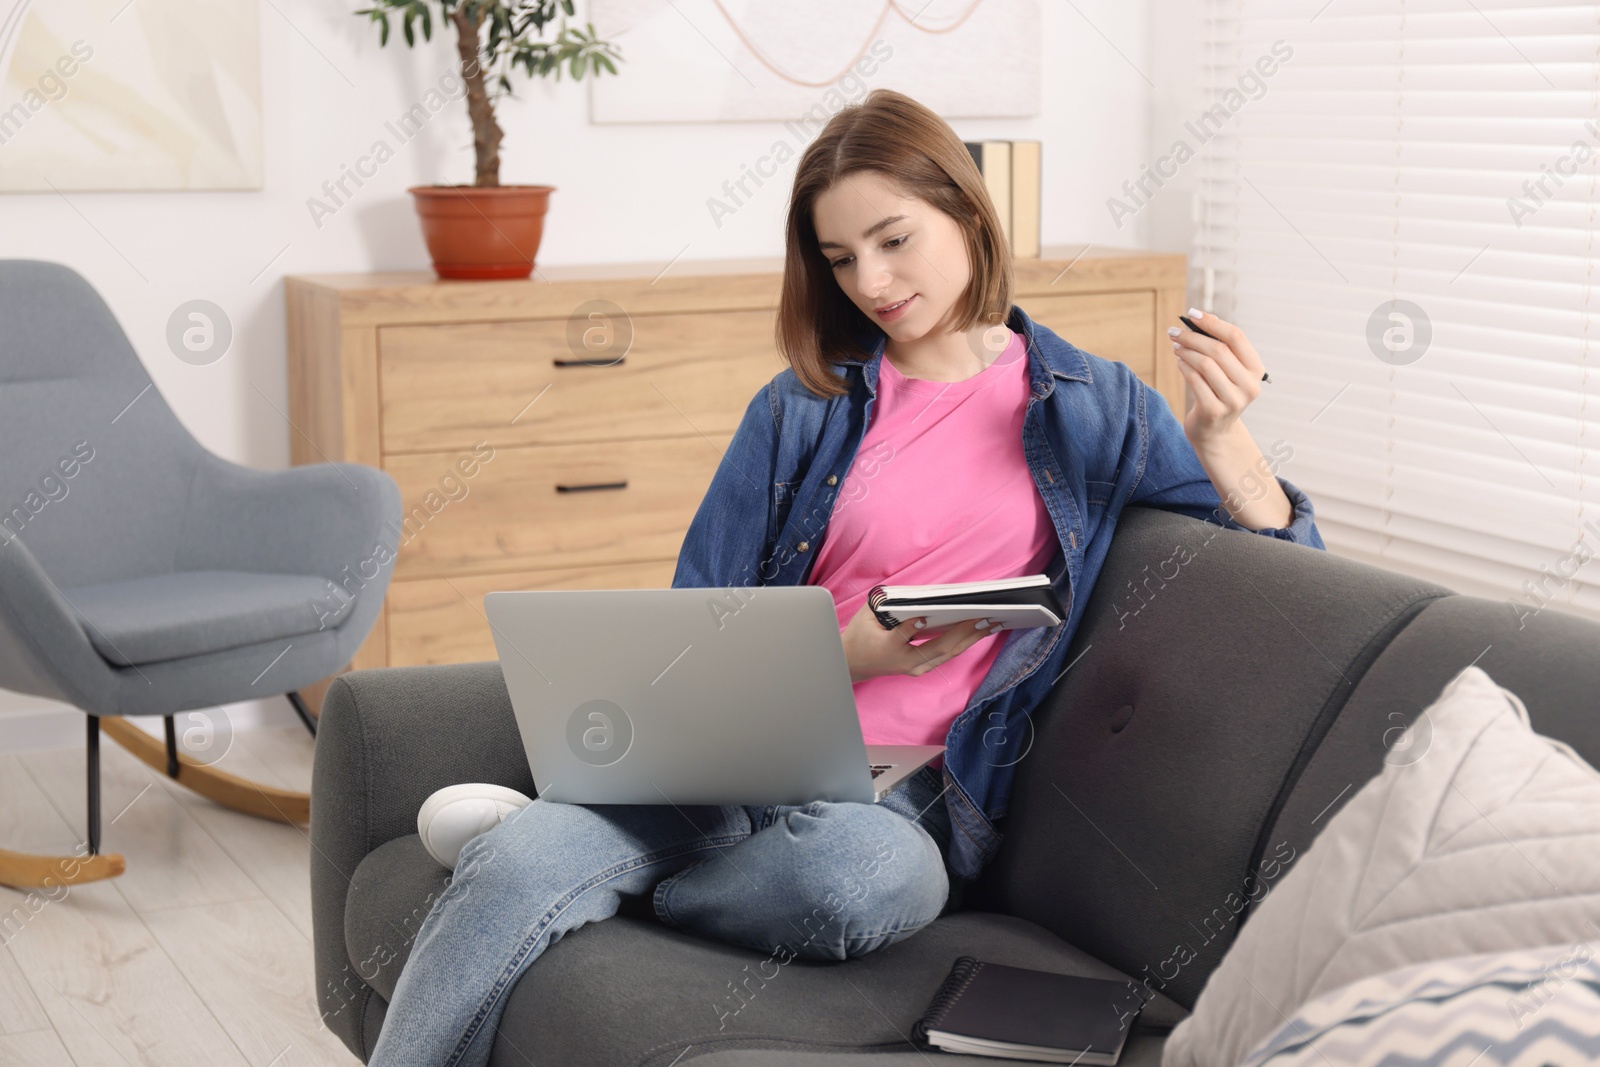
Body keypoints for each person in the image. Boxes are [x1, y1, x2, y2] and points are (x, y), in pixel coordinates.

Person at [367, 87, 1325, 1067]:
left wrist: (1222, 439)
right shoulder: (801, 406)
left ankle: (627, 883)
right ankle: (547, 851)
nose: (870, 279)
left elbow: (1284, 579)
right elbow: (693, 626)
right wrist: (844, 650)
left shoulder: (1093, 403)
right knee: (523, 862)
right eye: (839, 258)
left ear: (964, 209)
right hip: (734, 758)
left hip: (897, 797)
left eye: (893, 239)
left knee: (862, 881)